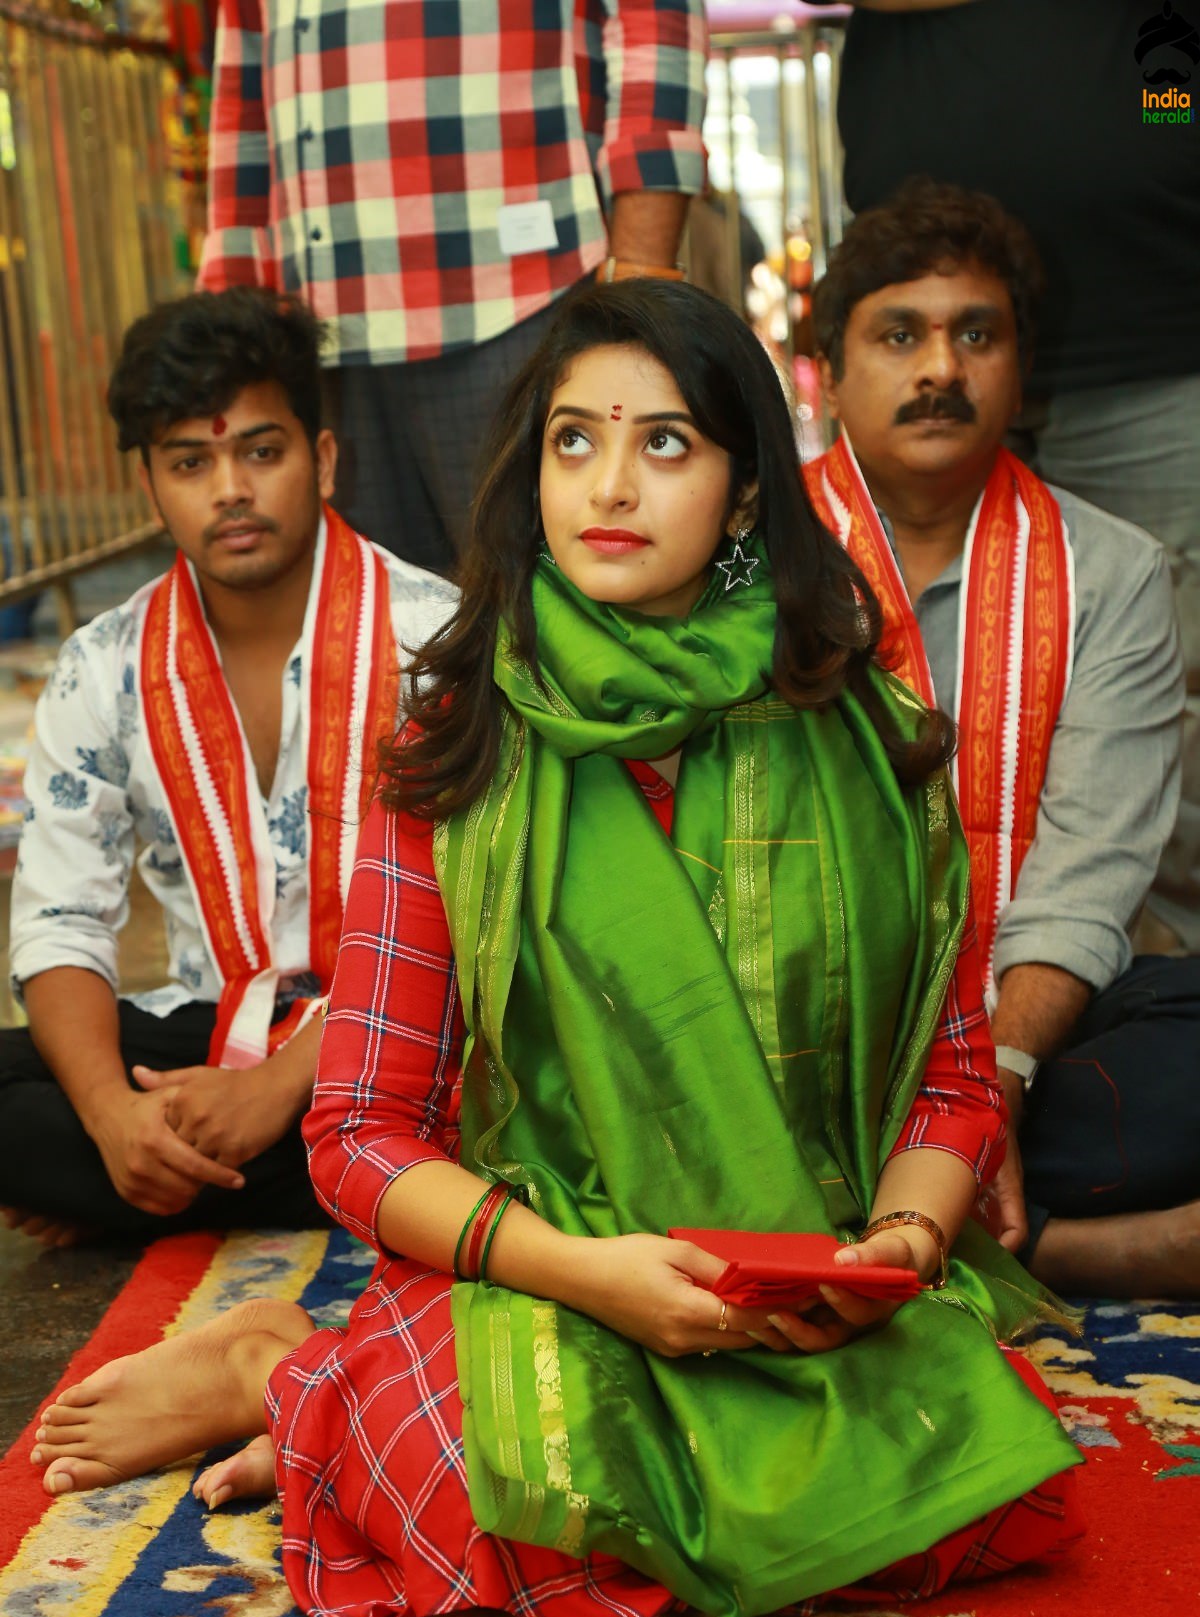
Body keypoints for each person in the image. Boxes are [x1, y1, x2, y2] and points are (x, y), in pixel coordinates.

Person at [28, 280, 1082, 1617]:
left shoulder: (866, 741)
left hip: (809, 1285)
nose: (611, 485)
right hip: (567, 1268)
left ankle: (321, 1376)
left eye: (665, 443)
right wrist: (597, 1276)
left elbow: (948, 1083)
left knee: (980, 1504)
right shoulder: (463, 744)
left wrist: (897, 1243)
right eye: (574, 442)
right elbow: (354, 1134)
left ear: (746, 490)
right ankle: (297, 1368)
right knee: (501, 1497)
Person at [805, 178, 1199, 1296]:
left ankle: (902, 1211)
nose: (941, 369)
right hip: (804, 1030)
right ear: (831, 371)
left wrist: (992, 1086)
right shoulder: (747, 558)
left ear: (1019, 368)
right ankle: (1065, 1244)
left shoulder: (1108, 569)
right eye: (900, 336)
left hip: (1033, 1035)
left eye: (976, 335)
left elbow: (1090, 875)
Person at [2, 287, 454, 1248]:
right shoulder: (103, 665)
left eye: (261, 450)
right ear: (152, 486)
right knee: (34, 1082)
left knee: (505, 1080)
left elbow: (487, 930)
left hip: (404, 1035)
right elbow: (61, 923)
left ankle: (173, 1183)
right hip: (214, 1026)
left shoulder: (440, 642)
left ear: (322, 460)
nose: (230, 490)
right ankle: (209, 1167)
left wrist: (277, 1089)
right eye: (190, 462)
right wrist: (113, 1119)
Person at [808, 0, 1200, 954]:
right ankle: (960, 981)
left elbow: (1170, 100)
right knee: (912, 664)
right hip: (923, 328)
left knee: (1177, 693)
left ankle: (1170, 991)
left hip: (1154, 334)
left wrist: (1163, 115)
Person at [199, 0, 709, 575]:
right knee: (380, 644)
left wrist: (638, 278)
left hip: (523, 299)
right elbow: (242, 78)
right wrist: (231, 326)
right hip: (320, 332)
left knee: (560, 633)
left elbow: (655, 19)